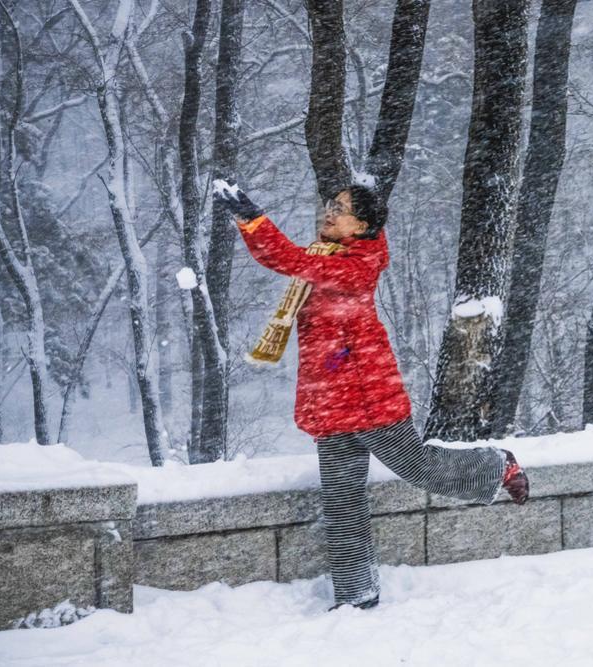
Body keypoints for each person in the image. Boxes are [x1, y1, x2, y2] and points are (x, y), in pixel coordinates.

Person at [214, 180, 530, 611]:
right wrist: (249, 219)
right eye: (330, 204)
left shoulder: (358, 264)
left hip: (368, 395)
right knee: (342, 503)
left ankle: (497, 465)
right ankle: (356, 595)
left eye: (340, 209)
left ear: (361, 226)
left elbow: (287, 259)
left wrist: (252, 218)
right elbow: (291, 262)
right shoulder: (327, 254)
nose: (329, 212)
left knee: (418, 467)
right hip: (330, 400)